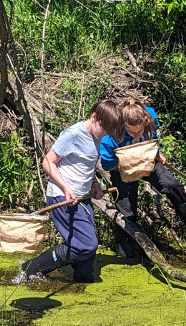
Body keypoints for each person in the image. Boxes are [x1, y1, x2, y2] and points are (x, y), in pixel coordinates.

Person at [14, 99, 123, 283]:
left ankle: (81, 282)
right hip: (62, 198)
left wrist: (95, 186)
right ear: (94, 117)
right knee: (86, 245)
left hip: (82, 198)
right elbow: (48, 162)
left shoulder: (95, 138)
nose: (105, 134)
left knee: (86, 260)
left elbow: (86, 168)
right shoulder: (73, 134)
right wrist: (66, 188)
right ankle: (33, 267)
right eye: (104, 128)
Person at [99, 98, 186, 259]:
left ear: (145, 121)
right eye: (132, 132)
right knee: (126, 205)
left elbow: (154, 137)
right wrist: (127, 158)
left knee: (172, 185)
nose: (137, 134)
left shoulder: (151, 117)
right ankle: (125, 245)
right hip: (123, 170)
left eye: (140, 131)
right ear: (123, 125)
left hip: (148, 161)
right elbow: (107, 164)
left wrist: (158, 152)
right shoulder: (112, 133)